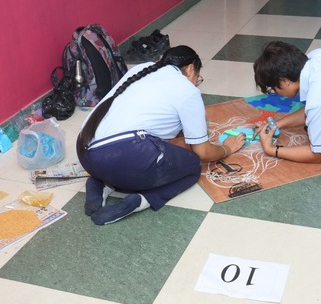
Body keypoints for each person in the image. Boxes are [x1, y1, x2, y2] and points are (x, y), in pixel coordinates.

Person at [76, 45, 246, 225]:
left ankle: (99, 184)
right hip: (123, 159)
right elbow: (203, 152)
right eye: (198, 77)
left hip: (86, 153)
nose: (196, 83)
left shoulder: (141, 69)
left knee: (133, 161)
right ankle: (142, 200)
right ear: (190, 69)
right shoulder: (187, 90)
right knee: (192, 165)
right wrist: (227, 148)